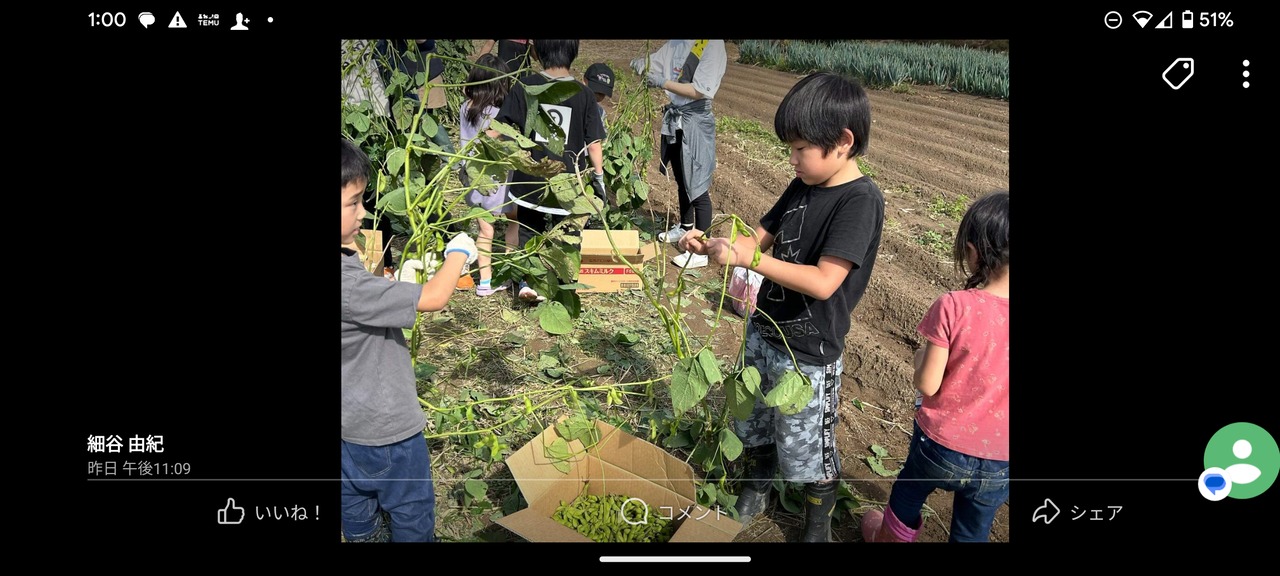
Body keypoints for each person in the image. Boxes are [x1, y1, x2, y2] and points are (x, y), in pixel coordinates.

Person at [679, 72, 883, 542]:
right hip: (764, 330)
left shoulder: (859, 201)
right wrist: (715, 245)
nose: (792, 159)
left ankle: (817, 524)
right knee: (752, 421)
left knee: (807, 448)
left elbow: (824, 282)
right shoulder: (801, 186)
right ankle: (757, 486)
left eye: (800, 148)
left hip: (808, 353)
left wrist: (751, 259)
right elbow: (755, 241)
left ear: (843, 142)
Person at [341, 138, 478, 542]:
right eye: (353, 203)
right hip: (386, 429)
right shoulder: (351, 288)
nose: (363, 212)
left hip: (347, 424)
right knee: (411, 509)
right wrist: (458, 253)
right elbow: (434, 297)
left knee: (353, 502)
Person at [861, 191, 1009, 543]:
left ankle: (888, 537)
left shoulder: (954, 306)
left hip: (941, 446)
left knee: (908, 494)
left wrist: (919, 360)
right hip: (1001, 458)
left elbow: (928, 384)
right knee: (973, 528)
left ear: (973, 252)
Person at [487, 39, 607, 303]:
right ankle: (565, 285)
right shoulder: (584, 94)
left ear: (538, 51)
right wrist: (599, 178)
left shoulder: (526, 86)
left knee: (529, 229)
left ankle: (527, 282)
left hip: (531, 177)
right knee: (568, 236)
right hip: (569, 182)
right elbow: (594, 144)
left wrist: (478, 156)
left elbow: (497, 129)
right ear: (573, 52)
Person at [630, 40, 726, 269]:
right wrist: (642, 64)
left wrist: (662, 82)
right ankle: (685, 226)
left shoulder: (710, 44)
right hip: (677, 119)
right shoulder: (677, 42)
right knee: (682, 179)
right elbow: (657, 61)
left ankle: (700, 250)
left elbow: (700, 90)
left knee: (698, 184)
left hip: (696, 121)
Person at [460, 54, 520, 296]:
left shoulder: (466, 107)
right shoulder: (499, 114)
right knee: (514, 221)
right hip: (500, 178)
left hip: (474, 177)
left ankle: (485, 282)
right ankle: (509, 272)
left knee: (485, 231)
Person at [584, 62, 614, 132]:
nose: (598, 96)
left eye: (602, 94)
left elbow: (602, 133)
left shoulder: (601, 112)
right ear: (585, 81)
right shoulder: (571, 103)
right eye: (595, 91)